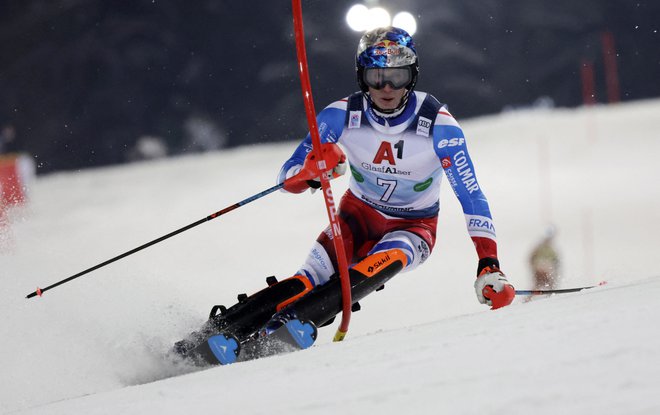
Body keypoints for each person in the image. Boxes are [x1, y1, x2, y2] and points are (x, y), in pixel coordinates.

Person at [175, 27, 515, 357]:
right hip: (357, 216)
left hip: (413, 227)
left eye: (396, 76)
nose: (385, 87)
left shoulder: (439, 125)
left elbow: (471, 196)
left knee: (370, 269)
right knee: (307, 280)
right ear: (360, 76)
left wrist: (489, 263)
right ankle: (211, 335)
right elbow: (287, 174)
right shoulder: (341, 115)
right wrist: (312, 171)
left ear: (411, 76)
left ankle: (282, 329)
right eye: (374, 76)